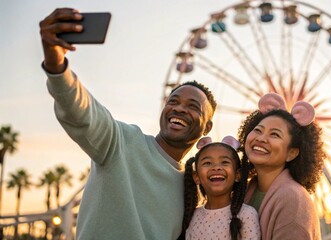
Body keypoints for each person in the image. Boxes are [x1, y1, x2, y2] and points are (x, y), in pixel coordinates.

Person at [39, 8, 217, 240]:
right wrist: (57, 65)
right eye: (173, 101)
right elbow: (82, 112)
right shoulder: (122, 142)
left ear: (207, 128)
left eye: (193, 106)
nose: (180, 108)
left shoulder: (192, 190)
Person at [237, 93, 326, 240]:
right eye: (258, 130)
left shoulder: (293, 201)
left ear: (291, 153)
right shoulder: (246, 190)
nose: (261, 138)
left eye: (275, 135)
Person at [182, 136, 260, 240]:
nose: (216, 167)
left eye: (224, 162)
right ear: (196, 177)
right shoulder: (192, 216)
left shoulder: (247, 214)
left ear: (237, 175)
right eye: (207, 163)